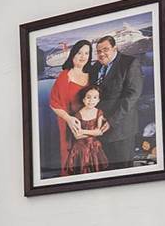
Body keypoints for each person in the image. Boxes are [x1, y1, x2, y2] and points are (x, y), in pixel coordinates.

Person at [90, 29, 150, 168]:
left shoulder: (129, 63)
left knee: (123, 173)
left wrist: (111, 121)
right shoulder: (96, 67)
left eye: (105, 49)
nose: (101, 53)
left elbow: (132, 96)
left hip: (121, 130)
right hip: (99, 130)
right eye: (98, 51)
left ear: (115, 48)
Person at [43, 45, 91, 179]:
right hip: (71, 124)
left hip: (90, 123)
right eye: (79, 53)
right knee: (73, 159)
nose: (83, 56)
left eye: (87, 53)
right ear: (73, 54)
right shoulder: (65, 75)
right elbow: (54, 103)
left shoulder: (92, 73)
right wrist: (69, 119)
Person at [65, 84, 111, 174]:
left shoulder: (99, 112)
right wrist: (93, 133)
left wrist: (83, 131)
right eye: (88, 97)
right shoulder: (78, 115)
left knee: (96, 170)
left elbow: (100, 132)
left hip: (94, 147)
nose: (91, 101)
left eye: (95, 98)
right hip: (80, 148)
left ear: (98, 100)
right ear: (84, 99)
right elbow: (77, 136)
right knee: (82, 170)